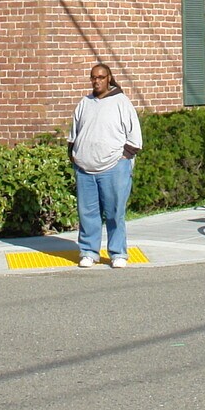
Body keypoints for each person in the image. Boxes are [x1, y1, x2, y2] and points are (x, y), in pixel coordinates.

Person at [68, 62, 141, 268]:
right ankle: (88, 252)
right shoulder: (85, 103)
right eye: (93, 77)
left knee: (114, 212)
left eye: (101, 77)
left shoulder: (121, 102)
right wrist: (73, 155)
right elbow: (74, 133)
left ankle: (118, 253)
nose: (96, 81)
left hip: (113, 167)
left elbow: (134, 136)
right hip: (85, 169)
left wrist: (125, 156)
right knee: (87, 214)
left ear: (109, 78)